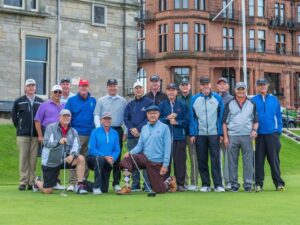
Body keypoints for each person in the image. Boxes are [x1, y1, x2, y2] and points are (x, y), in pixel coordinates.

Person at [117, 105, 177, 194]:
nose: (152, 115)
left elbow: (167, 148)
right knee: (127, 159)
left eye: (154, 113)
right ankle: (127, 187)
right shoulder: (144, 128)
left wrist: (165, 165)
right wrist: (130, 152)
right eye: (150, 113)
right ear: (147, 115)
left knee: (159, 190)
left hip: (157, 161)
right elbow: (139, 146)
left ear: (158, 114)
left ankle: (170, 180)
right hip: (144, 158)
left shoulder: (164, 127)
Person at [32, 109, 88, 194]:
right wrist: (58, 142)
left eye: (68, 116)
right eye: (64, 116)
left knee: (80, 158)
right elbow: (46, 143)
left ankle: (80, 185)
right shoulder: (50, 128)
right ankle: (37, 181)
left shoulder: (73, 132)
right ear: (59, 117)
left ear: (70, 118)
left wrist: (72, 155)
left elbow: (77, 147)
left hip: (64, 160)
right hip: (50, 161)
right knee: (48, 190)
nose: (66, 118)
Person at [190, 77, 225, 192]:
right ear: (200, 86)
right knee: (202, 159)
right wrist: (193, 133)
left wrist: (220, 133)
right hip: (200, 134)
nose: (205, 87)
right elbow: (192, 117)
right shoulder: (194, 99)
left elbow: (221, 117)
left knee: (215, 159)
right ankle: (205, 184)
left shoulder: (218, 98)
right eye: (203, 84)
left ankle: (218, 184)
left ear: (210, 85)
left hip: (214, 133)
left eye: (207, 84)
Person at [223, 82, 258, 192]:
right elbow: (224, 122)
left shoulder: (252, 103)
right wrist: (225, 137)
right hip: (232, 136)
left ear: (245, 90)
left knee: (248, 161)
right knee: (232, 161)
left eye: (243, 89)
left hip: (247, 136)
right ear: (235, 90)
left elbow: (256, 121)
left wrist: (254, 130)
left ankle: (248, 184)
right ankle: (234, 184)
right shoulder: (229, 103)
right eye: (239, 89)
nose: (241, 91)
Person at [252, 78, 285, 192]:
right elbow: (251, 117)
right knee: (258, 161)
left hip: (272, 135)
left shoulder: (274, 99)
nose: (262, 87)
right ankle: (258, 184)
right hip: (258, 135)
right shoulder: (253, 100)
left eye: (264, 85)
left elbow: (279, 117)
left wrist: (278, 131)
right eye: (260, 85)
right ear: (257, 86)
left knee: (274, 160)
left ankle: (279, 183)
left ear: (267, 85)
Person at [93, 78, 127, 192]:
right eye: (110, 86)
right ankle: (102, 180)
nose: (112, 88)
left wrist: (125, 132)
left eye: (114, 86)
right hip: (103, 130)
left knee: (116, 156)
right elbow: (97, 115)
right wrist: (99, 130)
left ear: (117, 87)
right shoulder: (101, 100)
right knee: (102, 154)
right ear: (107, 87)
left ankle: (116, 182)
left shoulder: (122, 101)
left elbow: (125, 118)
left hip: (117, 130)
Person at [11, 79, 43, 191]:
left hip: (35, 135)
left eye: (33, 86)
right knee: (23, 158)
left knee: (33, 159)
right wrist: (20, 127)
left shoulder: (40, 101)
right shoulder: (19, 101)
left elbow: (42, 118)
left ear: (35, 88)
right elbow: (15, 118)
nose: (31, 88)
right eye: (28, 86)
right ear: (25, 87)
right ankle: (23, 182)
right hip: (22, 135)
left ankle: (31, 182)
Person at [65, 79, 96, 191]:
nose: (84, 88)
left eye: (86, 86)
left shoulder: (93, 100)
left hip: (90, 134)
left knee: (86, 159)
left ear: (88, 87)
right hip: (76, 134)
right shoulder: (71, 100)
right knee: (75, 157)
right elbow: (66, 117)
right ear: (78, 87)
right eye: (82, 86)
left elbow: (96, 116)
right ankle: (72, 183)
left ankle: (82, 181)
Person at [34, 84, 66, 190]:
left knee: (58, 158)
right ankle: (41, 181)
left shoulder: (64, 105)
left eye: (59, 92)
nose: (57, 94)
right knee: (47, 158)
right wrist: (40, 135)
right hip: (47, 133)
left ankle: (55, 181)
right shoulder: (44, 105)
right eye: (55, 92)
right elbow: (37, 120)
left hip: (60, 134)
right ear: (51, 93)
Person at [124, 81, 153, 191]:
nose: (138, 90)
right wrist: (132, 129)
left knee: (145, 160)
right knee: (133, 160)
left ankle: (147, 185)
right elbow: (126, 118)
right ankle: (135, 184)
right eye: (136, 88)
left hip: (145, 135)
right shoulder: (130, 104)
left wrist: (139, 129)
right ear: (134, 90)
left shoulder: (149, 102)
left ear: (143, 89)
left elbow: (149, 118)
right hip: (132, 136)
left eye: (140, 88)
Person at [159, 83, 189, 191]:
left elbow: (187, 120)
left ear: (177, 92)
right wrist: (167, 118)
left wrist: (177, 122)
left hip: (179, 137)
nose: (171, 92)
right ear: (166, 92)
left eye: (173, 90)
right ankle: (165, 183)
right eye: (169, 90)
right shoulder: (162, 105)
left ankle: (180, 184)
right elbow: (157, 119)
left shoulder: (182, 105)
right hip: (165, 138)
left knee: (180, 161)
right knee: (166, 161)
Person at [87, 112, 121, 195]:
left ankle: (83, 183)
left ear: (111, 120)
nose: (107, 120)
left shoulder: (115, 133)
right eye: (105, 118)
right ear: (101, 120)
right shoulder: (95, 132)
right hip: (94, 159)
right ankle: (96, 187)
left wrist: (113, 158)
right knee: (100, 159)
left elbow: (117, 149)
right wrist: (105, 156)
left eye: (108, 118)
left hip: (108, 161)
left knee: (104, 189)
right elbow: (92, 149)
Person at [178, 78, 198, 191]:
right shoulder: (178, 99)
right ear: (180, 87)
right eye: (182, 85)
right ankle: (183, 181)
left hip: (192, 133)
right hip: (180, 133)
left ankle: (194, 182)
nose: (185, 87)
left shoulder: (194, 98)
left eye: (186, 85)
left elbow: (194, 117)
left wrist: (193, 133)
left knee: (194, 157)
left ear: (190, 87)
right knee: (182, 159)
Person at [216, 77, 234, 190]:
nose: (222, 86)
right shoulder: (213, 97)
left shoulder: (232, 99)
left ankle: (228, 181)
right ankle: (219, 182)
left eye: (224, 84)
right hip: (215, 133)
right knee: (217, 158)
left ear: (227, 86)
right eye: (220, 84)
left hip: (228, 132)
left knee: (228, 158)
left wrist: (225, 134)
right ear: (217, 86)